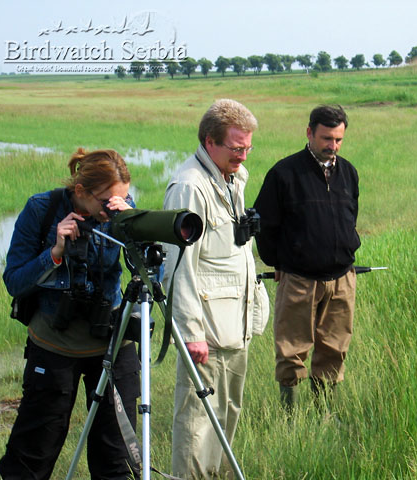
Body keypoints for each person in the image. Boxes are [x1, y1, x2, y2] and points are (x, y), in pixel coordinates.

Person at [0, 148, 139, 480]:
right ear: (80, 192)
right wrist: (55, 253)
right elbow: (15, 281)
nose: (112, 208)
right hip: (54, 344)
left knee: (115, 458)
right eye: (106, 201)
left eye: (120, 199)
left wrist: (130, 225)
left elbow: (150, 272)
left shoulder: (122, 211)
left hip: (111, 342)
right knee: (33, 454)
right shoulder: (41, 209)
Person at [162, 98, 259, 478]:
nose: (243, 155)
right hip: (206, 332)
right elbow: (179, 266)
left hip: (235, 324)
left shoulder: (234, 178)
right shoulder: (189, 187)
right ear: (209, 142)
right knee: (197, 422)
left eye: (248, 147)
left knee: (227, 415)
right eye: (237, 148)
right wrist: (191, 333)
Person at [253, 104, 361, 412]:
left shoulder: (348, 173)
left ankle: (326, 413)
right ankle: (289, 416)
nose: (333, 146)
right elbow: (265, 226)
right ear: (309, 132)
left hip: (342, 279)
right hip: (298, 279)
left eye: (338, 140)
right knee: (291, 352)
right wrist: (280, 265)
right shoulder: (284, 173)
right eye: (327, 138)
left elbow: (350, 218)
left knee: (334, 349)